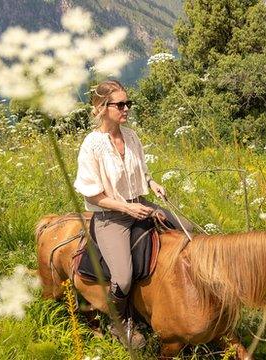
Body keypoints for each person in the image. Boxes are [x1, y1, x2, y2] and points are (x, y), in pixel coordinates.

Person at [74, 80, 189, 348]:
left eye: (128, 103)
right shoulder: (91, 145)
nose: (127, 109)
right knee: (123, 276)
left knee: (186, 231)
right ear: (103, 108)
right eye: (121, 104)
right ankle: (119, 322)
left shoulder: (132, 136)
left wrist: (152, 184)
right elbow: (92, 195)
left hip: (141, 204)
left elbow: (143, 172)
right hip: (111, 217)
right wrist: (127, 207)